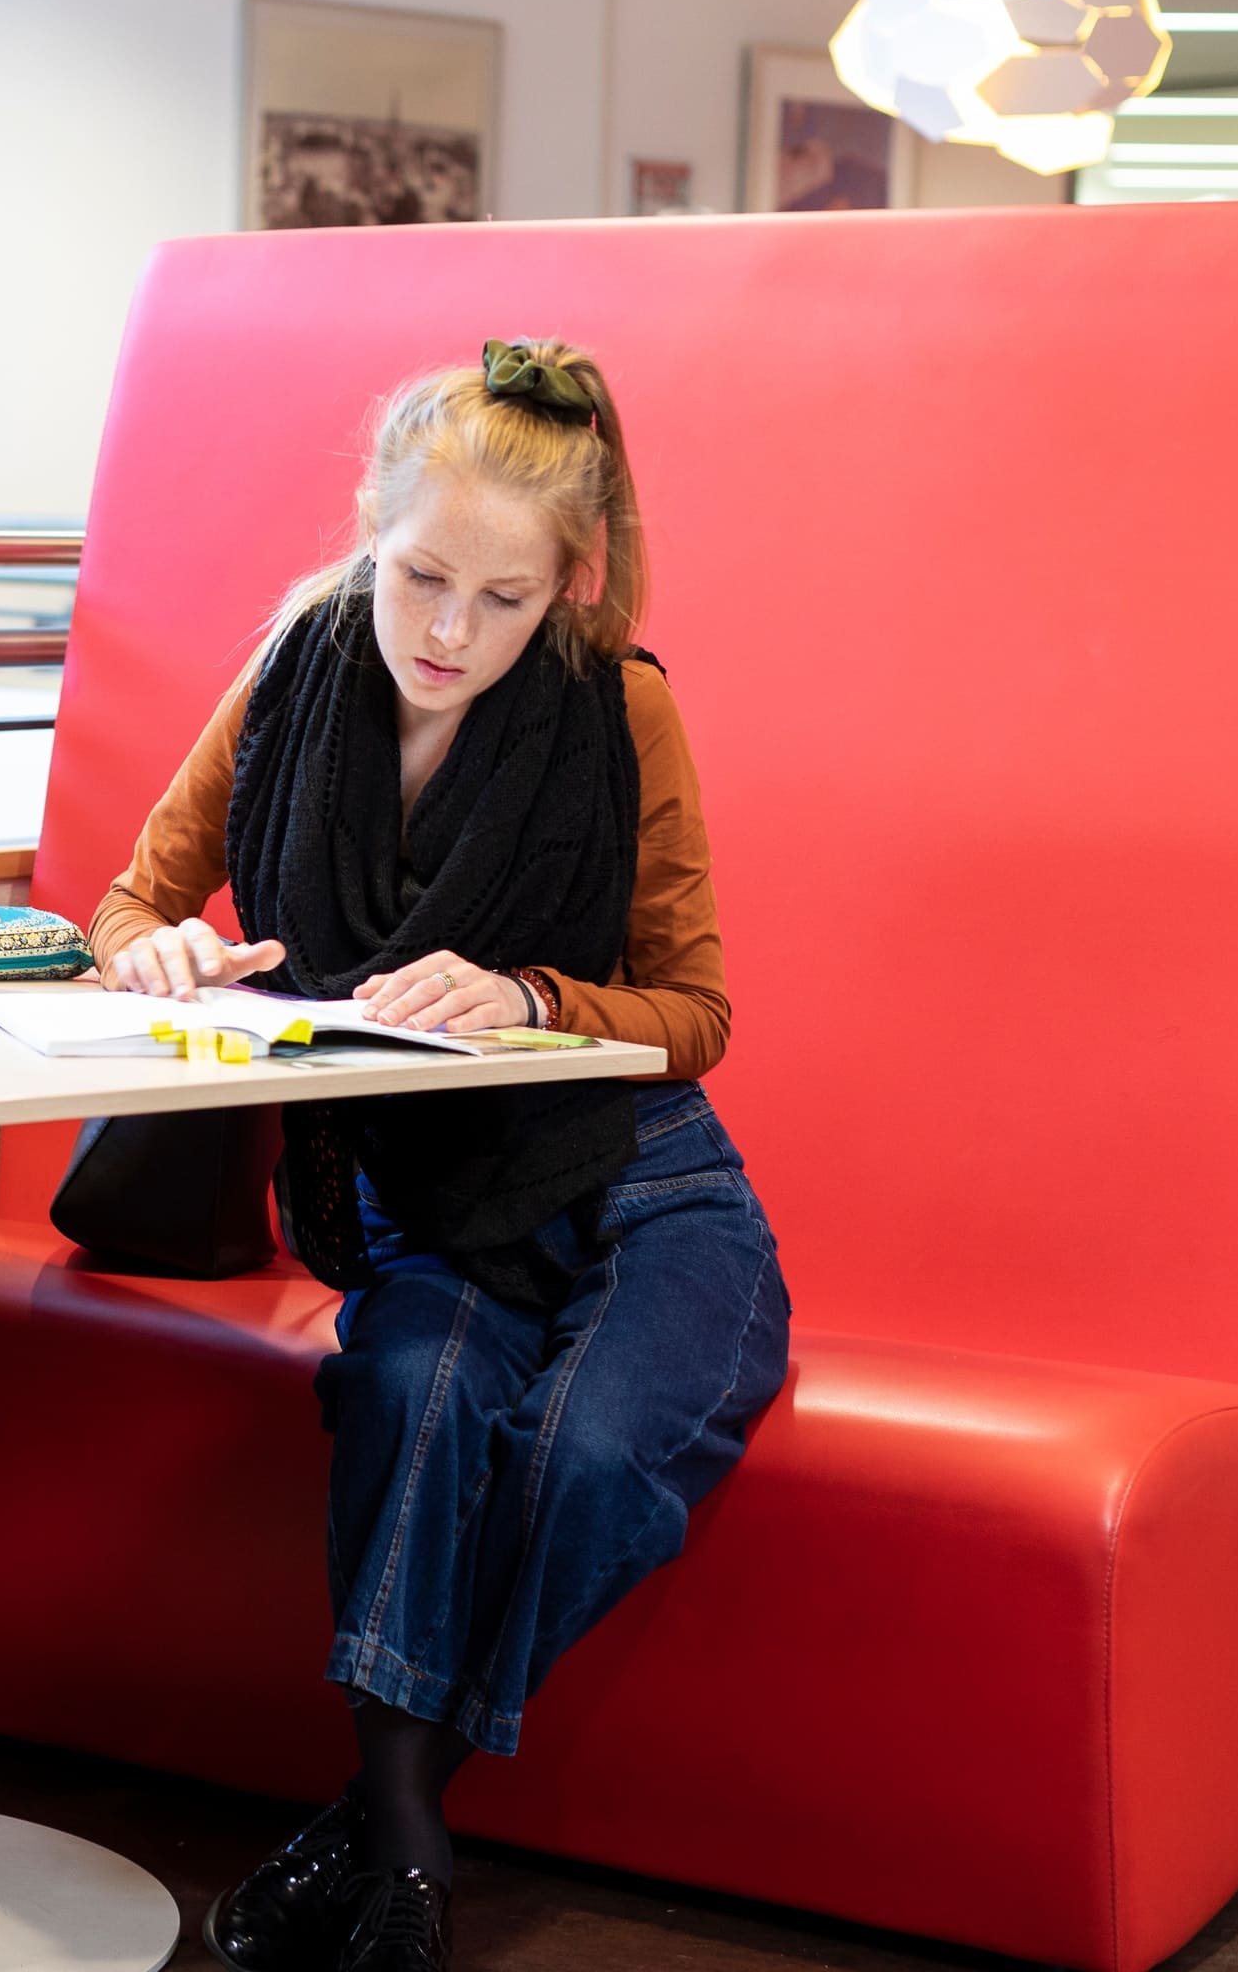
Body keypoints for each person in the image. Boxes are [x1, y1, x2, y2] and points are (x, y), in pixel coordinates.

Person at [91, 341, 788, 1972]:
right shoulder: (289, 672)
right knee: (413, 1401)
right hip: (428, 1211)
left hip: (648, 1192)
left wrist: (532, 993)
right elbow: (135, 900)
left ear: (566, 590)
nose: (448, 634)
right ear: (369, 532)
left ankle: (381, 1826)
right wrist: (158, 955)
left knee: (588, 1454)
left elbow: (694, 1011)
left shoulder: (621, 707)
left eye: (502, 600)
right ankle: (409, 1855)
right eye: (419, 577)